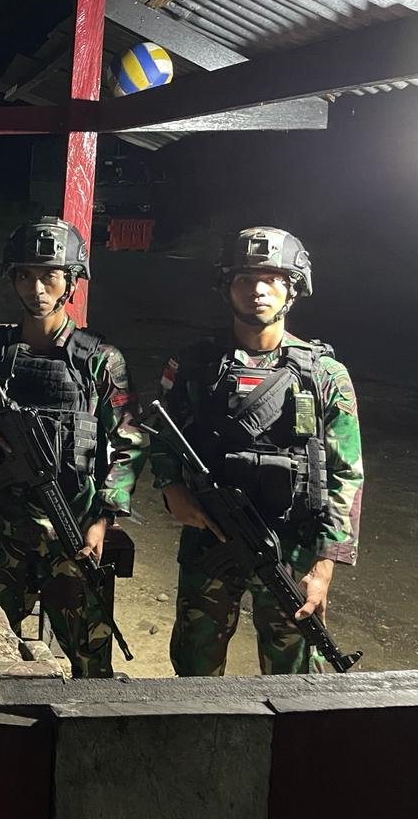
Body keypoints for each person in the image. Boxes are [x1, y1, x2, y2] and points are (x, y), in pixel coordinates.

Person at [0, 216, 145, 678]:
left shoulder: (100, 360)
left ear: (71, 281)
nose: (37, 288)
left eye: (50, 275)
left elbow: (130, 439)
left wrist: (105, 516)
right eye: (25, 276)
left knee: (90, 662)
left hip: (74, 530)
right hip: (4, 530)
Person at [153, 226, 363, 676]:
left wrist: (325, 564)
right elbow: (161, 432)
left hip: (292, 549)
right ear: (226, 286)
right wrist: (172, 488)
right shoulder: (192, 365)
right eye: (244, 279)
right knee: (194, 671)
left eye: (272, 279)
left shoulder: (325, 375)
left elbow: (346, 473)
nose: (258, 290)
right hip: (211, 538)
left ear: (294, 288)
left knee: (294, 679)